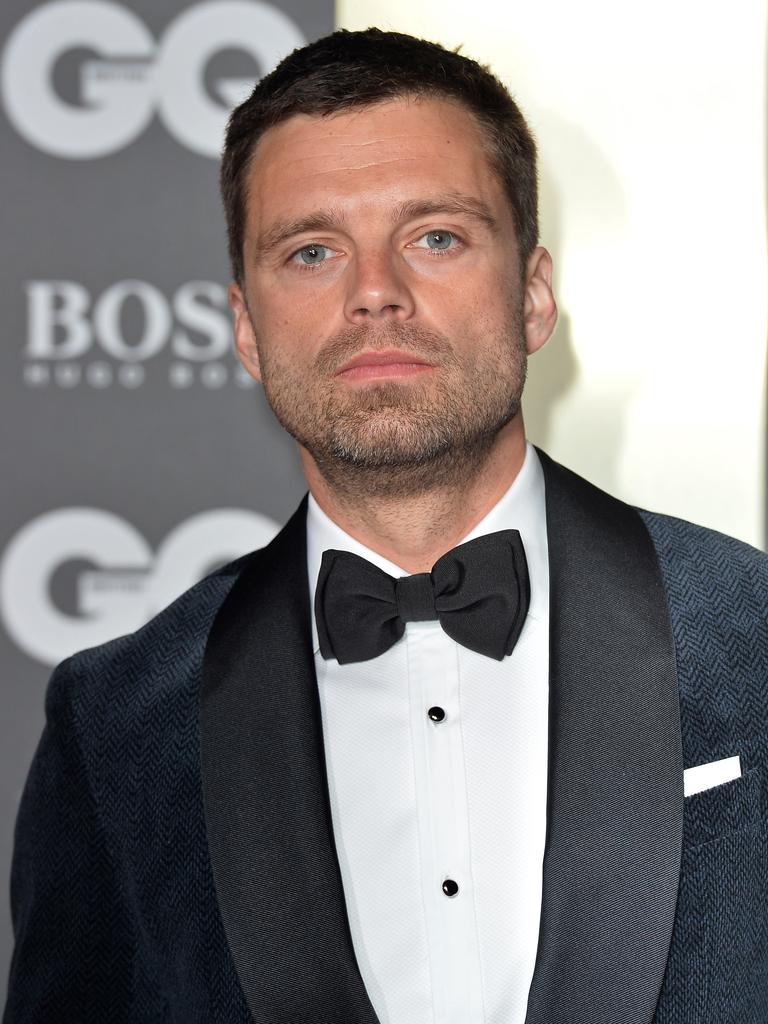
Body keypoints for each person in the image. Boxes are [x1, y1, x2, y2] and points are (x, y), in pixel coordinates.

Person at [3, 27, 767, 1024]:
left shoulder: (752, 640)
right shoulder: (115, 731)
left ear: (533, 294)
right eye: (313, 250)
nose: (375, 293)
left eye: (435, 236)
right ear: (246, 327)